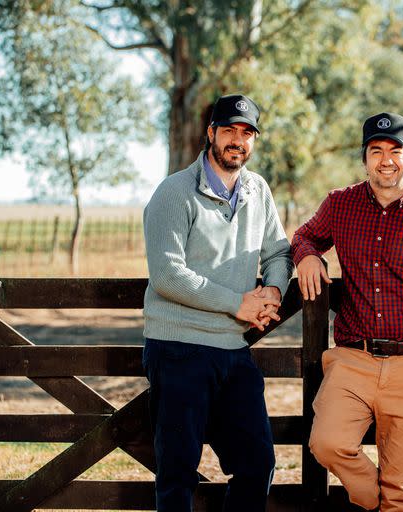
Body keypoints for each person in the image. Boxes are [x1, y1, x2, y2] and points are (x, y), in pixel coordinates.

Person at [292, 112, 403, 511]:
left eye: (395, 151)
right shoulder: (340, 204)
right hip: (353, 361)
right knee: (326, 444)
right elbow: (305, 235)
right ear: (365, 158)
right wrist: (307, 257)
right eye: (376, 151)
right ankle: (370, 496)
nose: (386, 160)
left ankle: (389, 499)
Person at [142, 93, 293, 512]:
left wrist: (274, 291)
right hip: (178, 349)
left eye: (247, 133)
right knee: (177, 471)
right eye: (228, 130)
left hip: (233, 351)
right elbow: (168, 275)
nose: (237, 141)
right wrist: (238, 304)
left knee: (258, 463)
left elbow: (279, 253)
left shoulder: (257, 190)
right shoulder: (174, 192)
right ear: (211, 133)